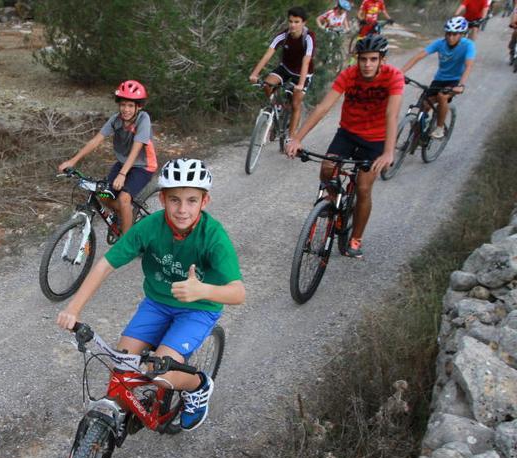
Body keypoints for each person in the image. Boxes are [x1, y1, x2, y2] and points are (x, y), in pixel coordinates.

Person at [56, 158, 245, 431]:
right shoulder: (150, 227)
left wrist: (202, 290)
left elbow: (238, 293)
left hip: (198, 308)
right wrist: (74, 309)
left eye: (192, 200)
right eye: (175, 200)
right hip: (157, 303)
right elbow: (105, 265)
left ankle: (199, 386)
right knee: (122, 366)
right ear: (163, 200)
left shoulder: (213, 237)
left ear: (205, 202)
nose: (182, 210)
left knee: (161, 376)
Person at [285, 35, 404, 259]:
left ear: (382, 60)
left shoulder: (393, 77)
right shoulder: (349, 75)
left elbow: (392, 114)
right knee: (327, 168)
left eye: (373, 59)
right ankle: (332, 203)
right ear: (356, 60)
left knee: (363, 188)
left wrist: (389, 151)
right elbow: (323, 107)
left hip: (376, 139)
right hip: (348, 133)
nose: (367, 64)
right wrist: (297, 138)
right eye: (363, 59)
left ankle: (355, 239)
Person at [58, 80, 158, 236]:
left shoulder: (143, 119)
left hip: (143, 166)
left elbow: (136, 148)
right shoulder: (116, 120)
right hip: (123, 163)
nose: (126, 109)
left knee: (124, 198)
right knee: (103, 194)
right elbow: (96, 140)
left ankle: (126, 243)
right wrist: (73, 160)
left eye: (131, 106)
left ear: (139, 107)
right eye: (123, 105)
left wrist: (122, 174)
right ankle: (125, 215)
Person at [401, 17, 474, 139]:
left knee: (442, 96)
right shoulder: (440, 43)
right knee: (425, 104)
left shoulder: (468, 45)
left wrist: (461, 85)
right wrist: (400, 72)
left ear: (462, 34)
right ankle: (418, 135)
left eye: (455, 34)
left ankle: (439, 128)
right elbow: (419, 56)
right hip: (439, 79)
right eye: (448, 34)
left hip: (455, 80)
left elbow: (468, 66)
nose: (451, 37)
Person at [249, 6, 316, 139]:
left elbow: (306, 61)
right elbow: (267, 55)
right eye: (290, 21)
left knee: (296, 103)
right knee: (267, 84)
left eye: (296, 22)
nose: (293, 25)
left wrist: (301, 84)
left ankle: (291, 139)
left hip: (303, 73)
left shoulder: (309, 37)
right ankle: (277, 107)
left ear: (304, 23)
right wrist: (254, 74)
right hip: (285, 68)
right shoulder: (283, 35)